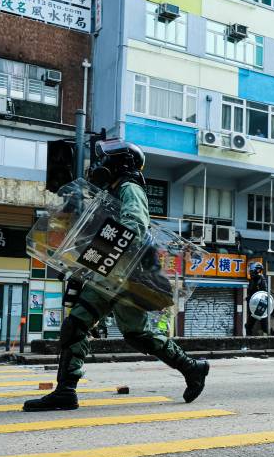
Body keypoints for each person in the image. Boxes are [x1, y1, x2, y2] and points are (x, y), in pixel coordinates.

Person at [24, 140, 208, 412]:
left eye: (105, 160)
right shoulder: (111, 194)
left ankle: (192, 368)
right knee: (103, 329)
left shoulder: (129, 187)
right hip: (112, 274)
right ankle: (66, 391)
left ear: (120, 164)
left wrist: (95, 257)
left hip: (123, 274)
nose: (100, 165)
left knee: (117, 331)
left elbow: (134, 226)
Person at [244, 262, 268, 336]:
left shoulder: (261, 279)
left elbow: (264, 293)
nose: (251, 273)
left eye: (251, 271)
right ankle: (249, 342)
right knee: (248, 326)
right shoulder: (253, 280)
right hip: (254, 306)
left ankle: (271, 339)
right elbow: (252, 292)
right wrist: (248, 298)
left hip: (260, 306)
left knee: (264, 327)